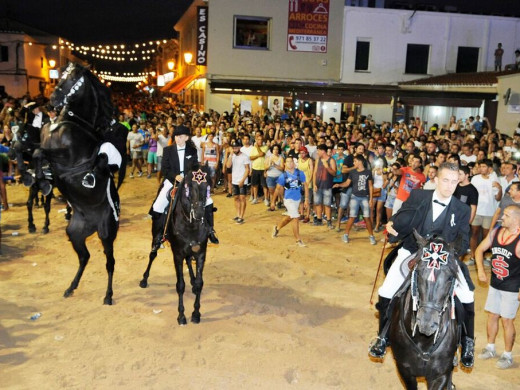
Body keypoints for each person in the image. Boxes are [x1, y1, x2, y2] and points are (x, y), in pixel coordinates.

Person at [369, 162, 476, 368]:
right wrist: (393, 225)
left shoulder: (461, 209)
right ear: (436, 180)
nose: (449, 185)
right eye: (445, 180)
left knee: (467, 295)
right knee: (386, 290)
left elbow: (464, 240)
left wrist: (448, 251)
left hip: (444, 258)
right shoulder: (419, 196)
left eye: (454, 181)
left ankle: (467, 342)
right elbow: (403, 216)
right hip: (413, 251)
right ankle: (383, 337)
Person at [150, 125, 218, 247]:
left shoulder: (192, 150)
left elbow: (195, 167)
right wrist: (175, 176)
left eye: (180, 137)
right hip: (172, 181)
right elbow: (165, 169)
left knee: (208, 201)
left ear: (186, 137)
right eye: (176, 136)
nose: (178, 139)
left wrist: (194, 177)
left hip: (188, 181)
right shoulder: (168, 150)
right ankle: (157, 237)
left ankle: (210, 231)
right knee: (158, 206)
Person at [475, 204, 520, 369]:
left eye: (507, 215)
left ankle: (507, 355)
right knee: (493, 315)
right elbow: (479, 250)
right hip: (495, 283)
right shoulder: (496, 232)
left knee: (507, 320)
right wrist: (480, 269)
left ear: (516, 219)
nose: (502, 217)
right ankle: (490, 347)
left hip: (512, 286)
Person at [334, 154, 376, 245]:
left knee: (367, 218)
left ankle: (371, 236)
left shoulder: (368, 172)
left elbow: (370, 186)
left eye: (355, 161)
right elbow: (347, 183)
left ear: (360, 161)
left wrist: (371, 199)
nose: (353, 163)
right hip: (355, 197)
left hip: (365, 197)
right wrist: (339, 185)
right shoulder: (353, 172)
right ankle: (346, 234)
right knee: (352, 217)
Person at [271, 157, 309, 247]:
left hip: (297, 199)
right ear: (285, 164)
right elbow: (277, 189)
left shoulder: (300, 173)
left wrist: (306, 199)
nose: (289, 163)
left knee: (290, 217)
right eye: (287, 162)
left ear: (294, 163)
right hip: (288, 200)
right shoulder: (283, 176)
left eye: (291, 161)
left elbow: (306, 186)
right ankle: (298, 240)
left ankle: (277, 228)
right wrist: (273, 202)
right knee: (295, 217)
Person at [313, 144, 336, 228]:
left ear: (323, 151)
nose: (317, 152)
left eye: (318, 150)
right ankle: (319, 219)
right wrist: (314, 184)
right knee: (317, 203)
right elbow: (315, 172)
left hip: (327, 186)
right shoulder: (317, 160)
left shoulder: (331, 160)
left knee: (327, 204)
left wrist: (327, 167)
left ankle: (329, 221)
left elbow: (334, 173)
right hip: (318, 185)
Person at [227, 138, 250, 224]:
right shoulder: (232, 156)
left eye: (236, 148)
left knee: (242, 198)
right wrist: (230, 155)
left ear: (240, 147)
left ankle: (241, 216)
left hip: (242, 180)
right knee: (236, 198)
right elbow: (228, 166)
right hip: (234, 180)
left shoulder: (245, 156)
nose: (235, 149)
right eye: (233, 148)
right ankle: (237, 214)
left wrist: (243, 180)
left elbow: (247, 169)